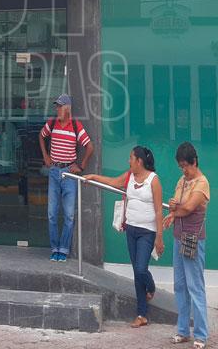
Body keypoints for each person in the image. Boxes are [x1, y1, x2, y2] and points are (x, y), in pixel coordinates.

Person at [85, 146, 164, 327]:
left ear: (139, 161)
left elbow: (159, 210)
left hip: (147, 232)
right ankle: (141, 314)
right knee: (137, 271)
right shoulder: (129, 176)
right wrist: (93, 177)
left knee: (141, 269)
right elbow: (113, 182)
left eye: (131, 158)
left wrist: (159, 237)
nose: (129, 161)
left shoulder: (153, 180)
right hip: (131, 229)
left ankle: (151, 286)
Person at [164, 142, 210, 349]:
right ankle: (183, 330)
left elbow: (188, 207)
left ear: (194, 162)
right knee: (180, 285)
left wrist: (175, 209)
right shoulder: (182, 181)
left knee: (195, 286)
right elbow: (174, 204)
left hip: (193, 238)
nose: (184, 170)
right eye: (181, 166)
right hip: (178, 237)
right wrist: (174, 210)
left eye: (186, 166)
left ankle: (200, 334)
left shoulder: (202, 183)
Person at [38, 93, 94, 262]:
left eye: (60, 106)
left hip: (69, 173)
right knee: (52, 213)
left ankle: (63, 249)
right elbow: (41, 136)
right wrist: (46, 156)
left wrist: (81, 166)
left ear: (68, 108)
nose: (57, 109)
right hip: (54, 171)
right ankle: (54, 248)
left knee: (69, 215)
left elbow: (90, 147)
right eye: (57, 106)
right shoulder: (52, 123)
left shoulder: (76, 126)